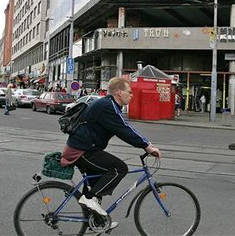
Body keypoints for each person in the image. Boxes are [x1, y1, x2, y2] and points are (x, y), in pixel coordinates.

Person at [61, 77, 161, 220]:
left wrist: (145, 144)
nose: (132, 95)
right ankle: (89, 198)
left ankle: (97, 220)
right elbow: (124, 129)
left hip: (84, 148)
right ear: (119, 92)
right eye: (129, 92)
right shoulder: (108, 106)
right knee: (119, 168)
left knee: (97, 183)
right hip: (82, 151)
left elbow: (124, 128)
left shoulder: (109, 104)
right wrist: (147, 146)